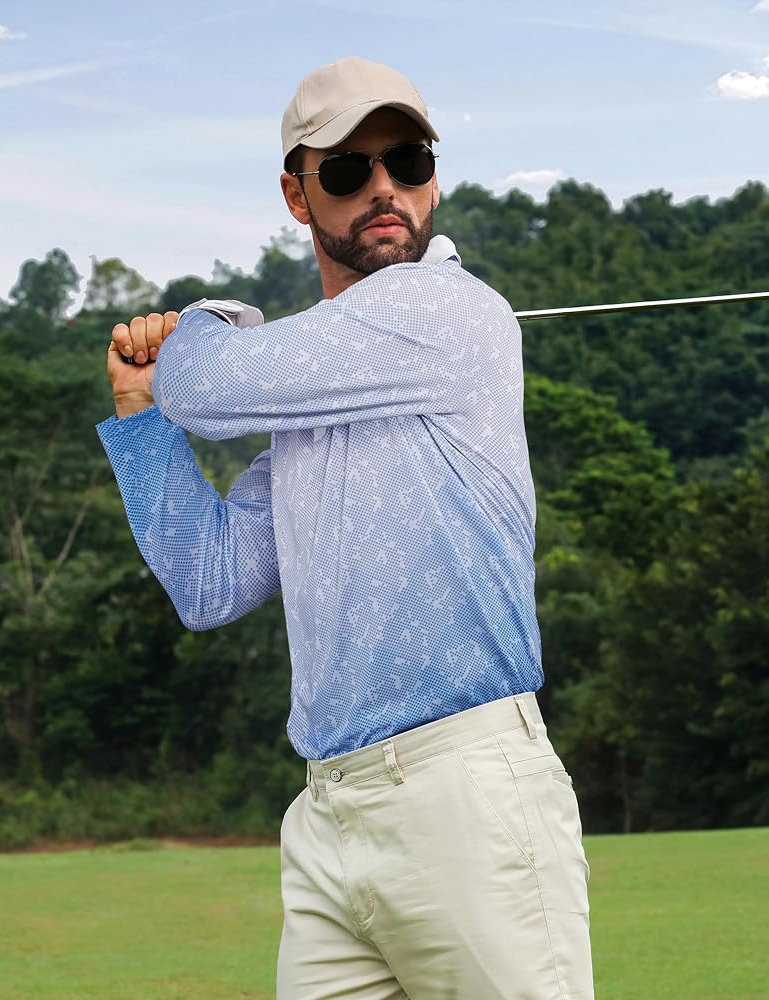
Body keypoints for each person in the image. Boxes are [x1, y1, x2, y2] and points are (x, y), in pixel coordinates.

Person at [98, 56, 594, 1000]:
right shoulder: (314, 399)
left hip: (468, 794)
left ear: (433, 181)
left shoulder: (447, 307)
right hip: (330, 813)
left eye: (408, 162)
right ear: (297, 194)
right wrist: (138, 412)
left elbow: (201, 384)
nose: (384, 189)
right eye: (347, 169)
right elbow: (209, 583)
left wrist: (213, 316)